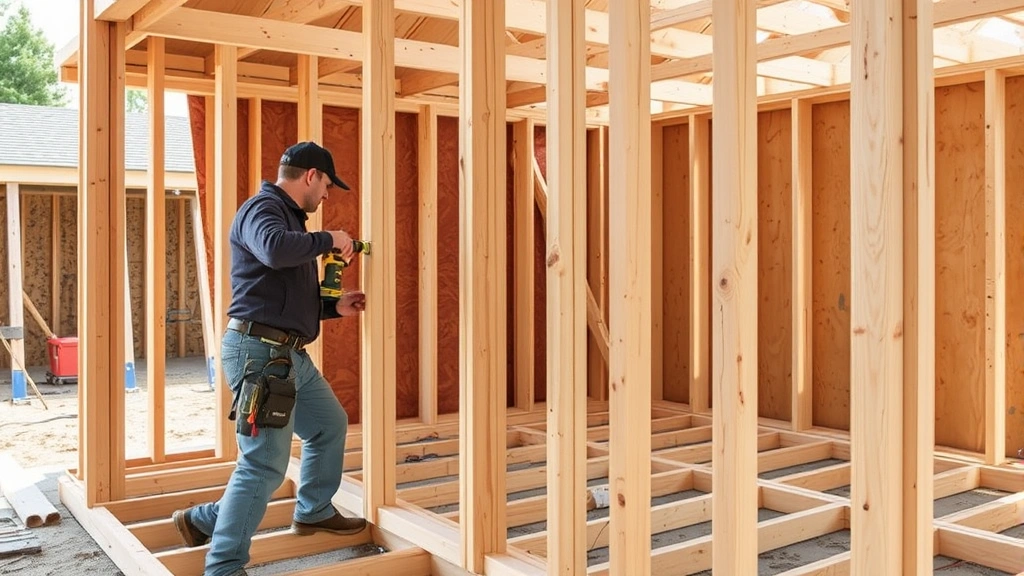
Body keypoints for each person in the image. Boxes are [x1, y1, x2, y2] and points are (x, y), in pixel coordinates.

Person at [171, 141, 368, 576]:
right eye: (328, 186)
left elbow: (279, 296)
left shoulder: (289, 220)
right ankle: (223, 566)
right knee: (263, 465)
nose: (328, 197)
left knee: (328, 425)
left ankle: (309, 511)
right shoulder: (262, 210)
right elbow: (275, 250)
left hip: (287, 353)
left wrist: (334, 307)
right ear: (311, 176)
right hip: (259, 355)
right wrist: (328, 239)